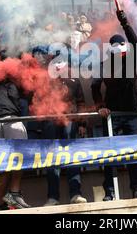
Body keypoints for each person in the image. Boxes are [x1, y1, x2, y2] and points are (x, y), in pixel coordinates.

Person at [91, 9, 137, 201]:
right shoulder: (104, 64)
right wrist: (99, 106)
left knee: (135, 153)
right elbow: (95, 87)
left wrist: (123, 20)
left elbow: (135, 42)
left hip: (131, 113)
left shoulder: (132, 60)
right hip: (112, 116)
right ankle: (110, 191)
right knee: (110, 154)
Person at [0, 54, 30, 210]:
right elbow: (19, 101)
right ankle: (14, 194)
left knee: (4, 165)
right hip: (11, 120)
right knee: (19, 158)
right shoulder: (10, 84)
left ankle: (0, 204)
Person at [43, 52, 88, 206]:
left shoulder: (74, 80)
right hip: (51, 121)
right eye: (54, 62)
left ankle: (75, 194)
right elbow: (39, 100)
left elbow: (81, 103)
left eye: (61, 62)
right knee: (52, 159)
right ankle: (52, 197)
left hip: (70, 121)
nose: (58, 65)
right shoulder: (47, 80)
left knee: (72, 157)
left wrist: (82, 123)